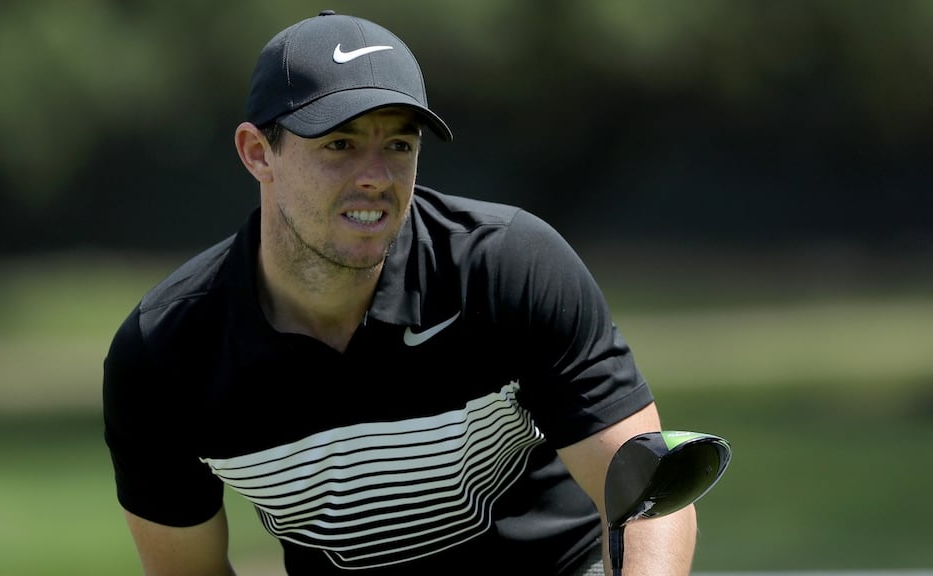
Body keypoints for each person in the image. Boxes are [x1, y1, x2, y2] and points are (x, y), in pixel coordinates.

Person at [103, 9, 698, 576]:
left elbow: (649, 496)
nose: (377, 177)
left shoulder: (506, 266)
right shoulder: (164, 355)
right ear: (259, 153)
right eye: (340, 144)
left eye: (400, 145)